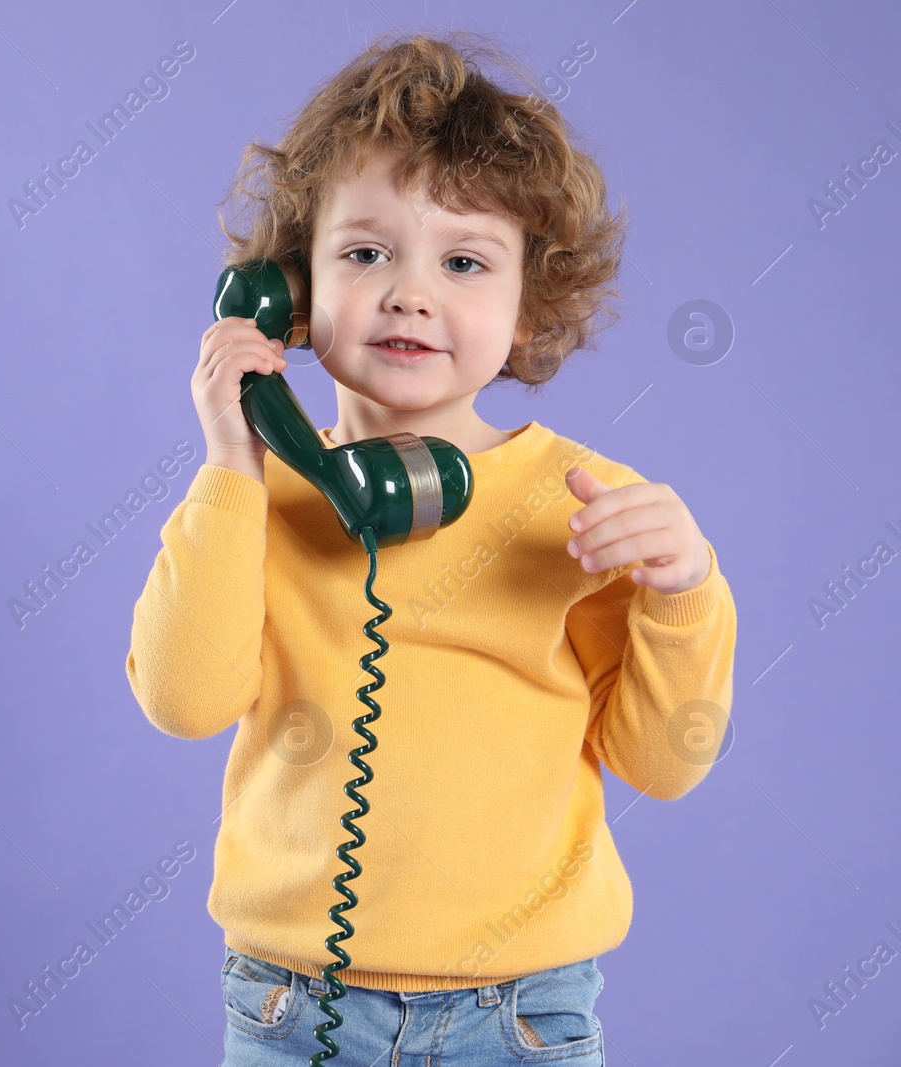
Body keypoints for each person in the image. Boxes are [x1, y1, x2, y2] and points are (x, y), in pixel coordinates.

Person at [124, 29, 737, 1066]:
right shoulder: (252, 495)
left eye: (462, 261)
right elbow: (183, 700)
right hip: (292, 1003)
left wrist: (683, 591)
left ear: (527, 306)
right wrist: (234, 457)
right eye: (365, 252)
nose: (411, 290)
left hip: (525, 1012)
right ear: (290, 294)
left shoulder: (592, 503)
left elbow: (660, 765)